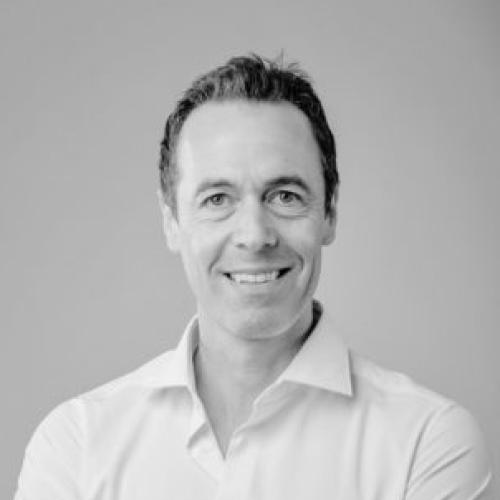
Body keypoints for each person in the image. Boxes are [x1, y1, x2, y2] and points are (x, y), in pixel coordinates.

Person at [15, 54, 493, 499]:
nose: (255, 235)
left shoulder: (427, 441)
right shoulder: (76, 446)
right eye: (217, 199)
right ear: (171, 221)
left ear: (329, 212)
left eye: (285, 196)